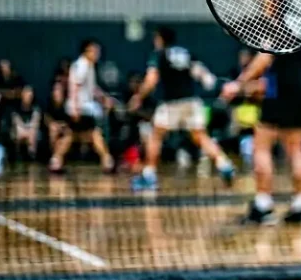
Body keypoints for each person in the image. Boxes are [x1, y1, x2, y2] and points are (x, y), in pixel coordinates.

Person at [128, 27, 236, 191]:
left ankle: (149, 175)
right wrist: (217, 86)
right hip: (192, 101)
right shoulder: (186, 53)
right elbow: (204, 76)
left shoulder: (159, 55)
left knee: (156, 136)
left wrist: (138, 97)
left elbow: (151, 79)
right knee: (201, 136)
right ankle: (225, 165)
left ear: (159, 39)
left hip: (171, 103)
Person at [221, 46, 301, 225]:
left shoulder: (274, 28)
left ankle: (263, 205)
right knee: (296, 149)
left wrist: (238, 83)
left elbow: (264, 58)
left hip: (280, 90)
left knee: (261, 146)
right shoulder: (300, 27)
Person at [49, 40, 115, 174]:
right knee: (93, 134)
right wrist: (75, 108)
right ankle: (107, 161)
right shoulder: (82, 65)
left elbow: (91, 88)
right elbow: (74, 87)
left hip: (82, 108)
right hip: (81, 108)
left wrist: (103, 97)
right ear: (86, 51)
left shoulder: (88, 66)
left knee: (71, 135)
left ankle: (55, 162)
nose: (97, 54)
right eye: (94, 51)